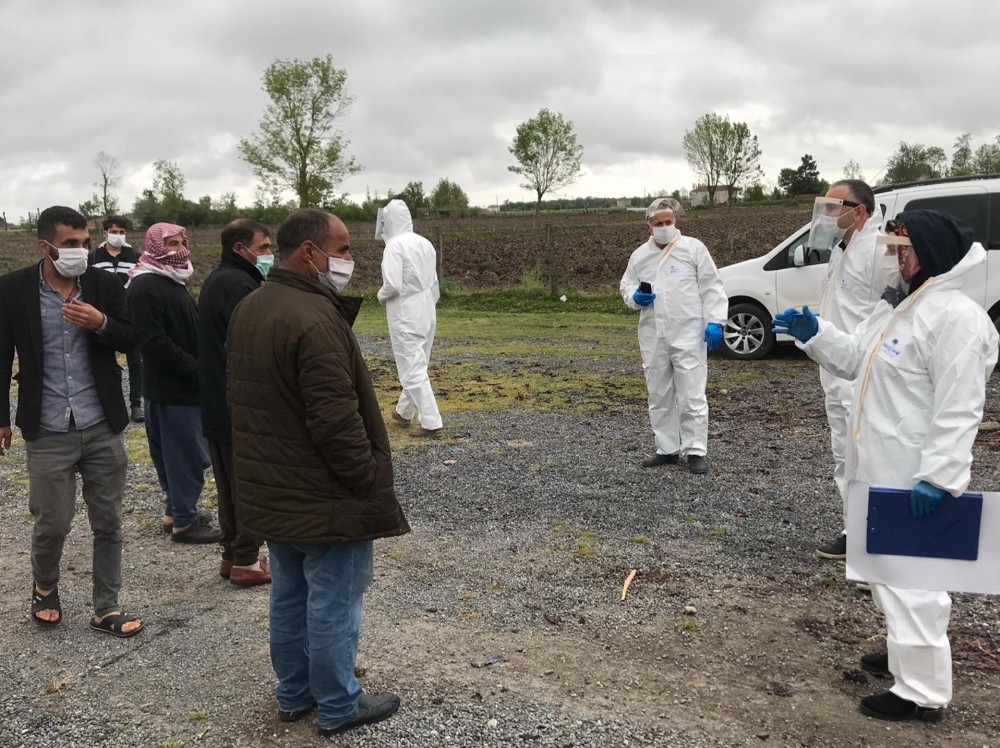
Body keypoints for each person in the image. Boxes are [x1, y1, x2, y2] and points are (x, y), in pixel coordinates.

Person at [773, 209, 998, 722]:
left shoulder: (956, 319)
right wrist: (816, 333)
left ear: (929, 253)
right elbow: (855, 358)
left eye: (902, 252)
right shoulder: (899, 307)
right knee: (884, 573)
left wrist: (940, 476)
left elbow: (960, 406)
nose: (895, 263)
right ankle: (903, 652)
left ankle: (922, 693)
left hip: (912, 473)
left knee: (914, 583)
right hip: (877, 464)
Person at [228, 208, 409, 737]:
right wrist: (366, 478)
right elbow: (335, 419)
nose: (350, 258)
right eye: (344, 248)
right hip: (322, 493)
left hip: (275, 486)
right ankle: (337, 703)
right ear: (309, 252)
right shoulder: (314, 318)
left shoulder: (251, 306)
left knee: (289, 595)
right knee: (333, 599)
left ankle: (294, 692)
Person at [0, 205, 143, 637]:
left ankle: (106, 606)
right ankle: (45, 587)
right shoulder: (13, 289)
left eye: (84, 243)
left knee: (109, 522)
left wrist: (101, 323)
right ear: (44, 246)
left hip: (100, 422)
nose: (80, 250)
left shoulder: (104, 284)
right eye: (69, 244)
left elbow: (133, 338)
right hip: (47, 427)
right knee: (52, 522)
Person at [809, 180, 895, 561]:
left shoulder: (878, 251)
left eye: (833, 207)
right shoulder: (842, 250)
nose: (827, 215)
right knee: (844, 456)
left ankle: (875, 541)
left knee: (868, 458)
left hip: (863, 374)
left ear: (859, 211)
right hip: (837, 369)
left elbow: (892, 310)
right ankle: (854, 531)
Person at [619, 197, 728, 474]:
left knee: (692, 394)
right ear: (648, 225)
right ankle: (667, 449)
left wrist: (716, 321)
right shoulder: (639, 256)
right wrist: (635, 296)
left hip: (689, 333)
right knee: (659, 394)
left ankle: (696, 450)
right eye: (659, 223)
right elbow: (626, 285)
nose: (665, 226)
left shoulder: (693, 249)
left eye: (669, 221)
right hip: (653, 335)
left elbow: (712, 286)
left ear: (676, 221)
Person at [127, 223, 219, 544]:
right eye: (171, 244)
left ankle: (175, 512)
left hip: (183, 386)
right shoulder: (145, 285)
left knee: (177, 452)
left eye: (181, 242)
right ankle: (184, 522)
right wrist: (197, 369)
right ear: (154, 246)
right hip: (173, 388)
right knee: (184, 455)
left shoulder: (170, 278)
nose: (179, 250)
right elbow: (154, 342)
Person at [197, 219, 273, 585]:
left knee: (228, 481)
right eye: (264, 248)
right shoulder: (240, 285)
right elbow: (250, 344)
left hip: (216, 397)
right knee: (247, 480)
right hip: (236, 401)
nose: (269, 255)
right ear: (240, 249)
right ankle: (247, 559)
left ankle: (232, 554)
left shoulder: (219, 279)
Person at [376, 199, 443, 437]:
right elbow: (434, 284)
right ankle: (403, 412)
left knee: (411, 368)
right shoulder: (425, 243)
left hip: (405, 313)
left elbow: (393, 285)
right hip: (427, 309)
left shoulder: (394, 246)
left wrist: (380, 296)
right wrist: (427, 305)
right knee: (418, 363)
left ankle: (431, 422)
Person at [89, 216, 144, 423]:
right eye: (114, 232)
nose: (118, 236)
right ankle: (106, 403)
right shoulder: (93, 257)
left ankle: (136, 404)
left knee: (136, 360)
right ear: (105, 233)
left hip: (130, 314)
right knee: (104, 360)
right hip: (102, 315)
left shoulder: (135, 256)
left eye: (122, 232)